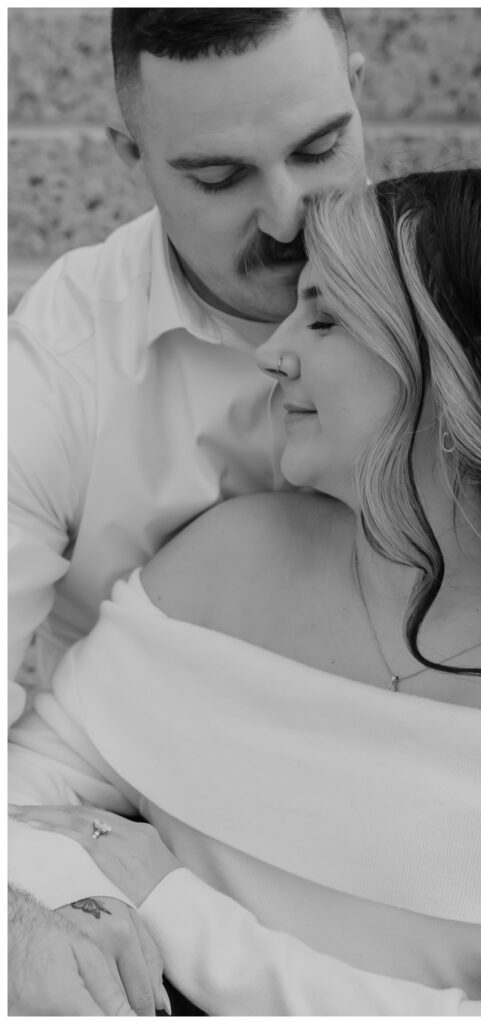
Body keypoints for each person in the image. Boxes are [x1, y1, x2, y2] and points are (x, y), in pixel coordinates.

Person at [10, 167, 481, 1015]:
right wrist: (72, 904)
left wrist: (176, 908)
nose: (271, 350)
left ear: (471, 375)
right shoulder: (223, 559)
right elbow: (27, 789)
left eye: (325, 318)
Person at [8, 8, 368, 1013]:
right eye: (220, 177)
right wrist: (39, 913)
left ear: (360, 80)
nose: (290, 214)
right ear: (132, 155)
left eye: (319, 147)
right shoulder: (61, 366)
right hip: (140, 875)